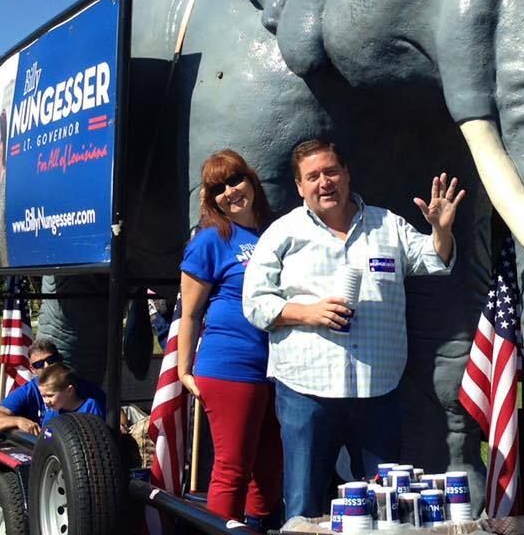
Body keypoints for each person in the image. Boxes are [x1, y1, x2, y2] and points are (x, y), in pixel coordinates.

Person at [242, 139, 464, 518]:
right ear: (299, 187)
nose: (324, 182)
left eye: (331, 172)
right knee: (303, 505)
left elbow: (434, 261)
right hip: (306, 390)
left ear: (346, 174)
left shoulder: (387, 224)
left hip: (377, 391)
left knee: (383, 507)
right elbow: (255, 304)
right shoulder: (282, 233)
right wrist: (307, 313)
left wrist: (441, 231)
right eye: (312, 177)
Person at [178, 150, 283, 529]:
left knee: (270, 467)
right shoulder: (211, 241)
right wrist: (183, 369)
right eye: (218, 187)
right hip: (230, 366)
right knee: (233, 466)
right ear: (210, 198)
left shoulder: (278, 231)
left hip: (280, 368)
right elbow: (189, 312)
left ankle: (256, 527)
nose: (230, 191)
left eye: (235, 179)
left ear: (252, 181)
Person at [0, 338, 105, 435]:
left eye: (51, 360)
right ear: (32, 369)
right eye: (39, 364)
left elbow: (111, 411)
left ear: (69, 390)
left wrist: (122, 425)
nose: (46, 366)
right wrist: (18, 421)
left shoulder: (85, 391)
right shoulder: (30, 392)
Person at [37, 363, 106, 426]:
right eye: (43, 396)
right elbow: (45, 438)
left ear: (69, 390)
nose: (46, 401)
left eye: (50, 395)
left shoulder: (90, 407)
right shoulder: (51, 413)